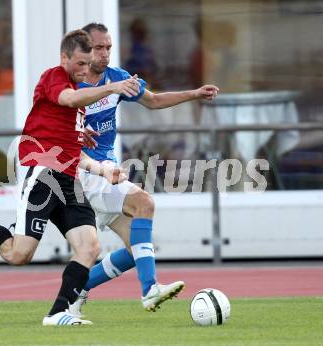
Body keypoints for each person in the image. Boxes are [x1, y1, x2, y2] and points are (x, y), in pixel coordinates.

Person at [0, 29, 141, 326]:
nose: (84, 69)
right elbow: (69, 98)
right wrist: (114, 87)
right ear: (64, 57)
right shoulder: (54, 77)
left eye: (88, 63)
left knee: (89, 247)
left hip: (70, 179)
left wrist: (104, 169)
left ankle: (58, 313)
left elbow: (75, 151)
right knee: (19, 255)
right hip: (43, 172)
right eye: (79, 63)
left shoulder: (80, 104)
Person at [68, 23, 219, 317]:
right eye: (99, 47)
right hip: (85, 172)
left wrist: (195, 93)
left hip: (106, 173)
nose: (105, 53)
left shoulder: (118, 78)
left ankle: (76, 288)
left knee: (137, 247)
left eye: (108, 47)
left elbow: (153, 100)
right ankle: (150, 291)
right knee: (144, 202)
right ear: (84, 50)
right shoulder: (71, 87)